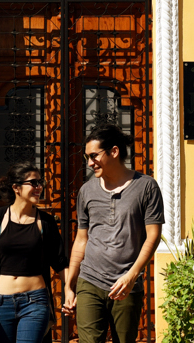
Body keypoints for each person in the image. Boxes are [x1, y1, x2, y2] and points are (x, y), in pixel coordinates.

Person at [62, 125, 164, 343]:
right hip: (89, 281)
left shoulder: (146, 187)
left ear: (114, 152)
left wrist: (132, 275)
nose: (89, 163)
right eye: (87, 157)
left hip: (126, 284)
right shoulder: (86, 191)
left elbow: (153, 236)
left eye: (94, 156)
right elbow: (81, 239)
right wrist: (69, 285)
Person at [0, 163, 69, 343]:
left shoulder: (46, 222)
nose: (39, 187)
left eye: (40, 182)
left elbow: (59, 261)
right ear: (16, 188)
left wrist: (71, 289)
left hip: (34, 302)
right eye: (33, 183)